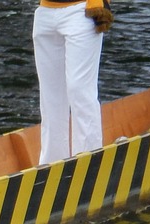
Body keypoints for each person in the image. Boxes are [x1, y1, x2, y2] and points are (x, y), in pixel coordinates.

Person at [34, 0, 112, 164]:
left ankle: (89, 163)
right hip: (45, 12)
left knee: (79, 90)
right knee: (50, 97)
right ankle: (52, 164)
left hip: (81, 11)